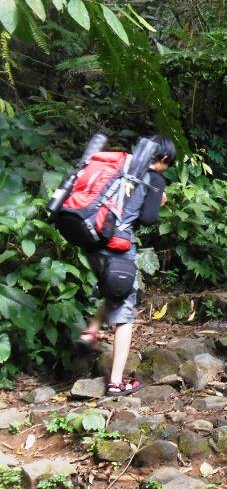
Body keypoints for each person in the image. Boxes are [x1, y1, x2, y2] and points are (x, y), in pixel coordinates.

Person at [74, 136, 175, 396]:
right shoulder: (153, 178)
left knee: (114, 291)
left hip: (91, 239)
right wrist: (158, 201)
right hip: (118, 247)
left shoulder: (124, 169)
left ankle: (90, 332)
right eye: (168, 164)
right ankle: (116, 383)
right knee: (125, 313)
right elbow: (149, 218)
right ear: (163, 159)